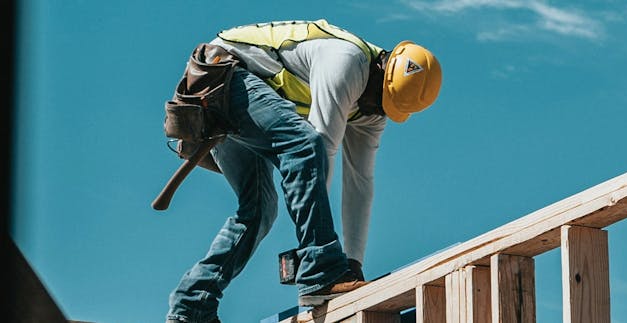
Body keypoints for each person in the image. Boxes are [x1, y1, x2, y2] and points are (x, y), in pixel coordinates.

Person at [163, 19, 442, 323]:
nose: (373, 108)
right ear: (382, 70)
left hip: (238, 94)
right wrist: (322, 261)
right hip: (220, 76)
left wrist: (353, 263)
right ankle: (320, 269)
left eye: (383, 107)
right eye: (378, 99)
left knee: (258, 211)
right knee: (305, 144)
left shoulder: (372, 111)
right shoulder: (346, 62)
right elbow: (318, 149)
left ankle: (192, 305)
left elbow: (360, 183)